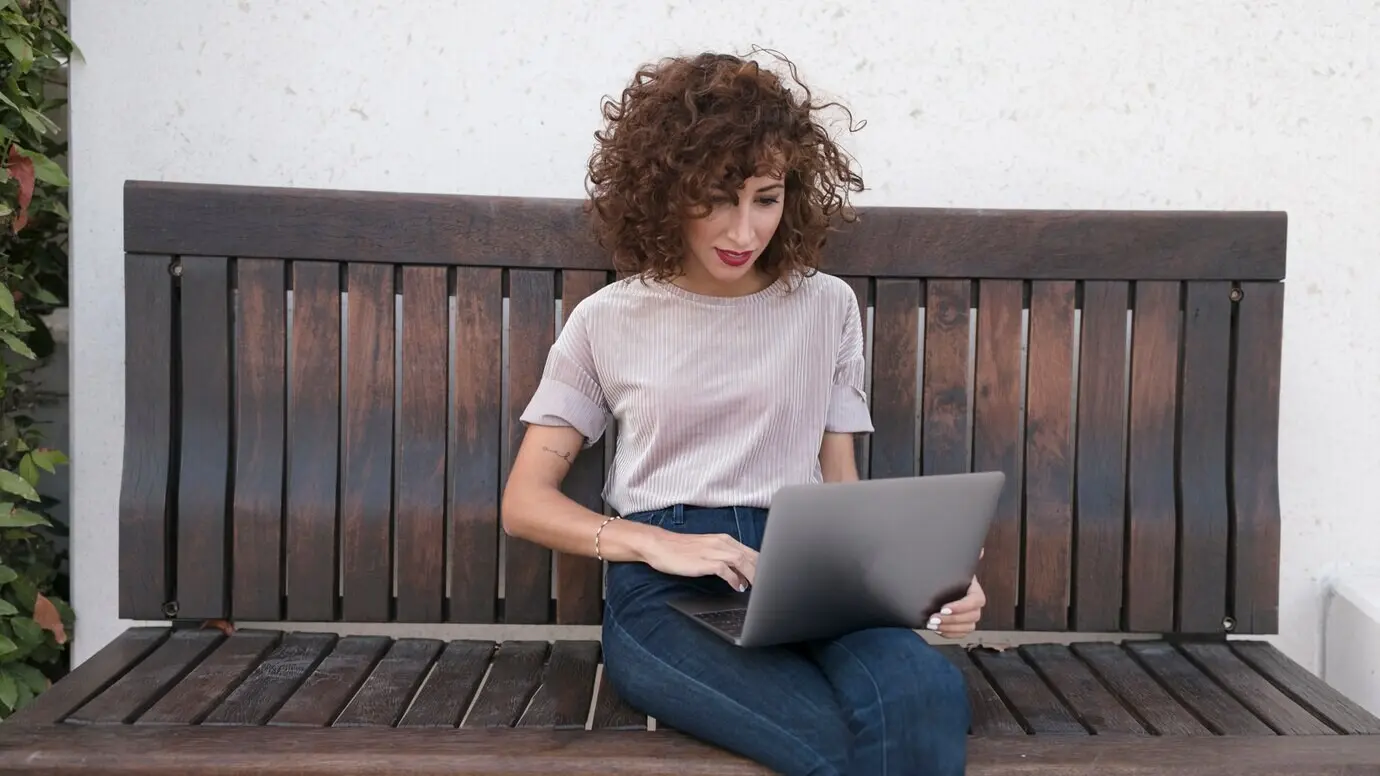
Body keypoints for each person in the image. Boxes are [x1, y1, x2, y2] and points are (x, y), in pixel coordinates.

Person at [501, 49, 985, 776]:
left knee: (925, 693)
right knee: (827, 733)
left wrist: (922, 577)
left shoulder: (826, 307)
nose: (743, 230)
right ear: (666, 190)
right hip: (665, 588)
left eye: (766, 197)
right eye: (717, 198)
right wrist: (653, 544)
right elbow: (524, 504)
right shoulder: (607, 320)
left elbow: (841, 486)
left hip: (812, 568)